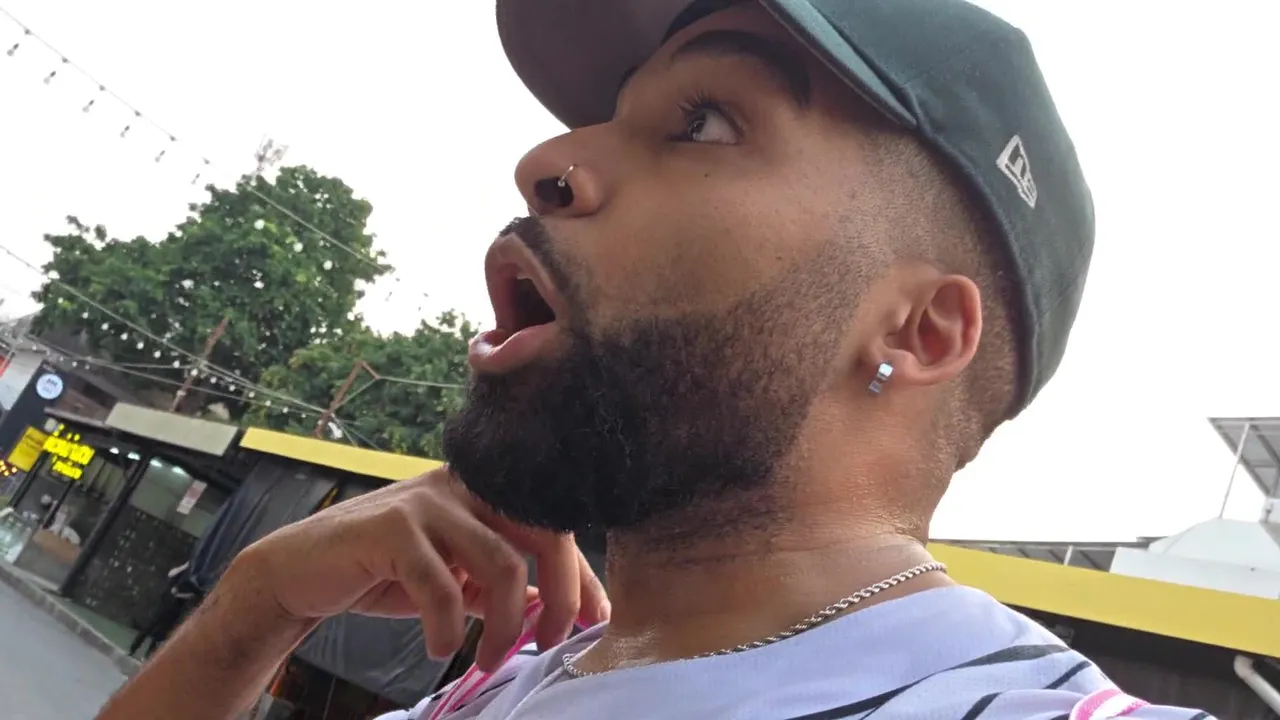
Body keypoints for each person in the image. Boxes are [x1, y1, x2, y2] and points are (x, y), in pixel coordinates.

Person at [97, 1, 1217, 719]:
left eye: (704, 123)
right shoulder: (485, 695)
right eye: (611, 117)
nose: (546, 160)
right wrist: (255, 606)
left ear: (918, 333)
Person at [128, 561, 200, 659]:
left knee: (159, 635)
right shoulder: (178, 576)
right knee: (148, 628)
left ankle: (148, 656)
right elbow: (171, 574)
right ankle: (133, 650)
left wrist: (179, 595)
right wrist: (185, 566)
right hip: (162, 606)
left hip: (173, 611)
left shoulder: (191, 583)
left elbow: (192, 596)